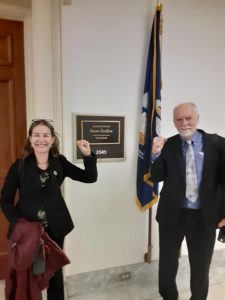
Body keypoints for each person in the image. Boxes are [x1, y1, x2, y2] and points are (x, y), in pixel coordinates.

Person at [0, 119, 98, 300]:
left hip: (55, 230)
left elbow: (89, 177)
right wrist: (20, 223)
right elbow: (5, 201)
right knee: (27, 277)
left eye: (46, 135)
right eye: (36, 135)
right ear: (30, 139)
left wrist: (87, 155)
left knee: (54, 275)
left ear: (52, 139)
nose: (41, 139)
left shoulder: (59, 163)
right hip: (27, 232)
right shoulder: (20, 166)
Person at [150, 102, 225, 300]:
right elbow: (157, 176)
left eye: (188, 118)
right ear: (174, 122)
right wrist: (155, 153)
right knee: (167, 267)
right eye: (179, 119)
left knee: (200, 269)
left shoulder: (217, 143)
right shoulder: (169, 145)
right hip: (171, 216)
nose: (184, 123)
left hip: (203, 217)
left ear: (197, 118)